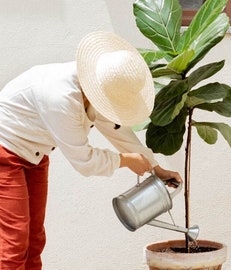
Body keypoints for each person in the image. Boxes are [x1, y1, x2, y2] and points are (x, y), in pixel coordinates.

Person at [0, 31, 182, 269]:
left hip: (34, 154)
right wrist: (126, 161)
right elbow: (84, 161)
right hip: (5, 152)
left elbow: (117, 129)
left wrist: (155, 167)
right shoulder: (60, 96)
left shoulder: (96, 86)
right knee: (14, 243)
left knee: (34, 239)